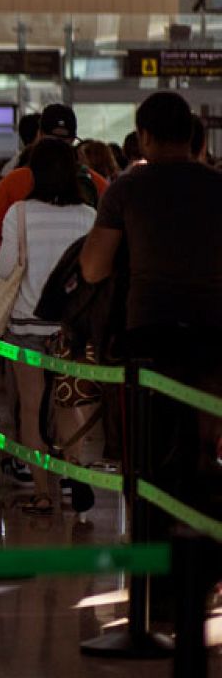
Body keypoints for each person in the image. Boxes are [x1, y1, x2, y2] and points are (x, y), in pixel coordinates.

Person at [80, 91, 222, 560]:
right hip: (210, 335)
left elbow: (93, 269)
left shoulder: (127, 188)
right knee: (203, 450)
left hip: (149, 334)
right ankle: (200, 559)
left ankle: (151, 568)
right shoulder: (217, 186)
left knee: (149, 453)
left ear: (143, 135)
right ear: (192, 135)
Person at [0, 138, 98, 515]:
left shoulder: (18, 214)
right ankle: (76, 475)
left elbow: (5, 268)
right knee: (69, 404)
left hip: (26, 325)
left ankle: (41, 492)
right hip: (70, 328)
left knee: (30, 409)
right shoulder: (87, 216)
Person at [0, 104, 108, 266]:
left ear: (39, 135)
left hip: (27, 286)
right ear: (74, 140)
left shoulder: (14, 182)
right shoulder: (97, 184)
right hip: (78, 284)